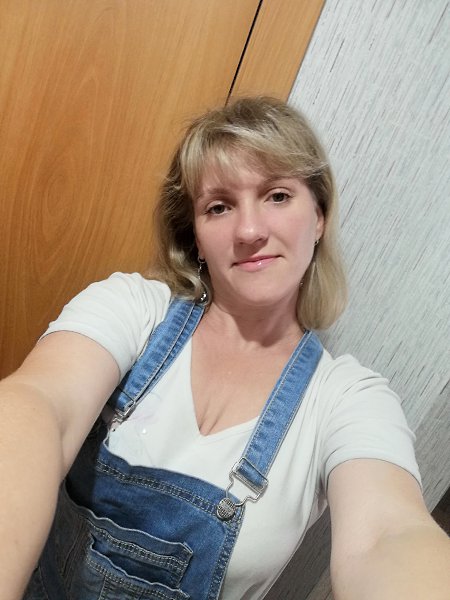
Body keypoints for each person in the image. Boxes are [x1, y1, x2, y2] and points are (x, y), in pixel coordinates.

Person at [1, 97, 449, 600]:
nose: (250, 231)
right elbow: (39, 404)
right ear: (195, 236)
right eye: (218, 207)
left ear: (319, 217)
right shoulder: (132, 309)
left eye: (277, 195)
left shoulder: (347, 399)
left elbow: (388, 535)